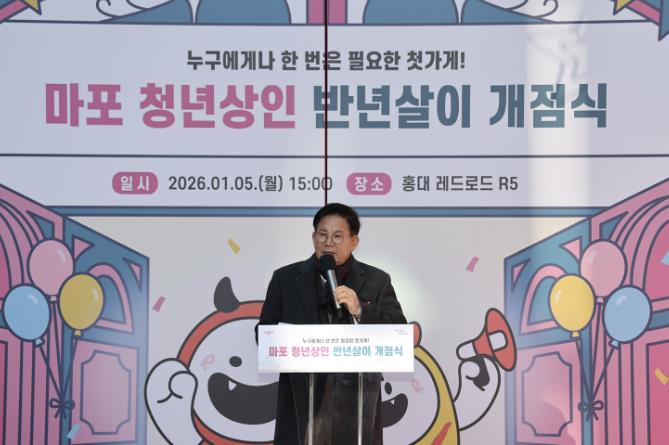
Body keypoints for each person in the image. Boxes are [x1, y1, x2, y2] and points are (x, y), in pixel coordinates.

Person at [257, 203, 406, 445]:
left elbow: (398, 332)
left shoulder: (376, 280)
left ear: (354, 241)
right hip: (302, 397)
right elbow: (264, 333)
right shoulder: (285, 279)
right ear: (313, 237)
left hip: (356, 400)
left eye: (337, 236)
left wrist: (360, 309)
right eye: (322, 235)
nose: (328, 243)